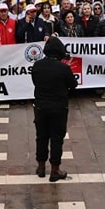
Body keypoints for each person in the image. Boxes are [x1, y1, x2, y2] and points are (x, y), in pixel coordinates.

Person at [31, 37, 78, 181]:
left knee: (41, 137)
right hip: (58, 107)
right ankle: (55, 169)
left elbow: (35, 81)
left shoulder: (37, 65)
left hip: (40, 106)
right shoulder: (63, 67)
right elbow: (73, 84)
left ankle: (40, 166)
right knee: (57, 138)